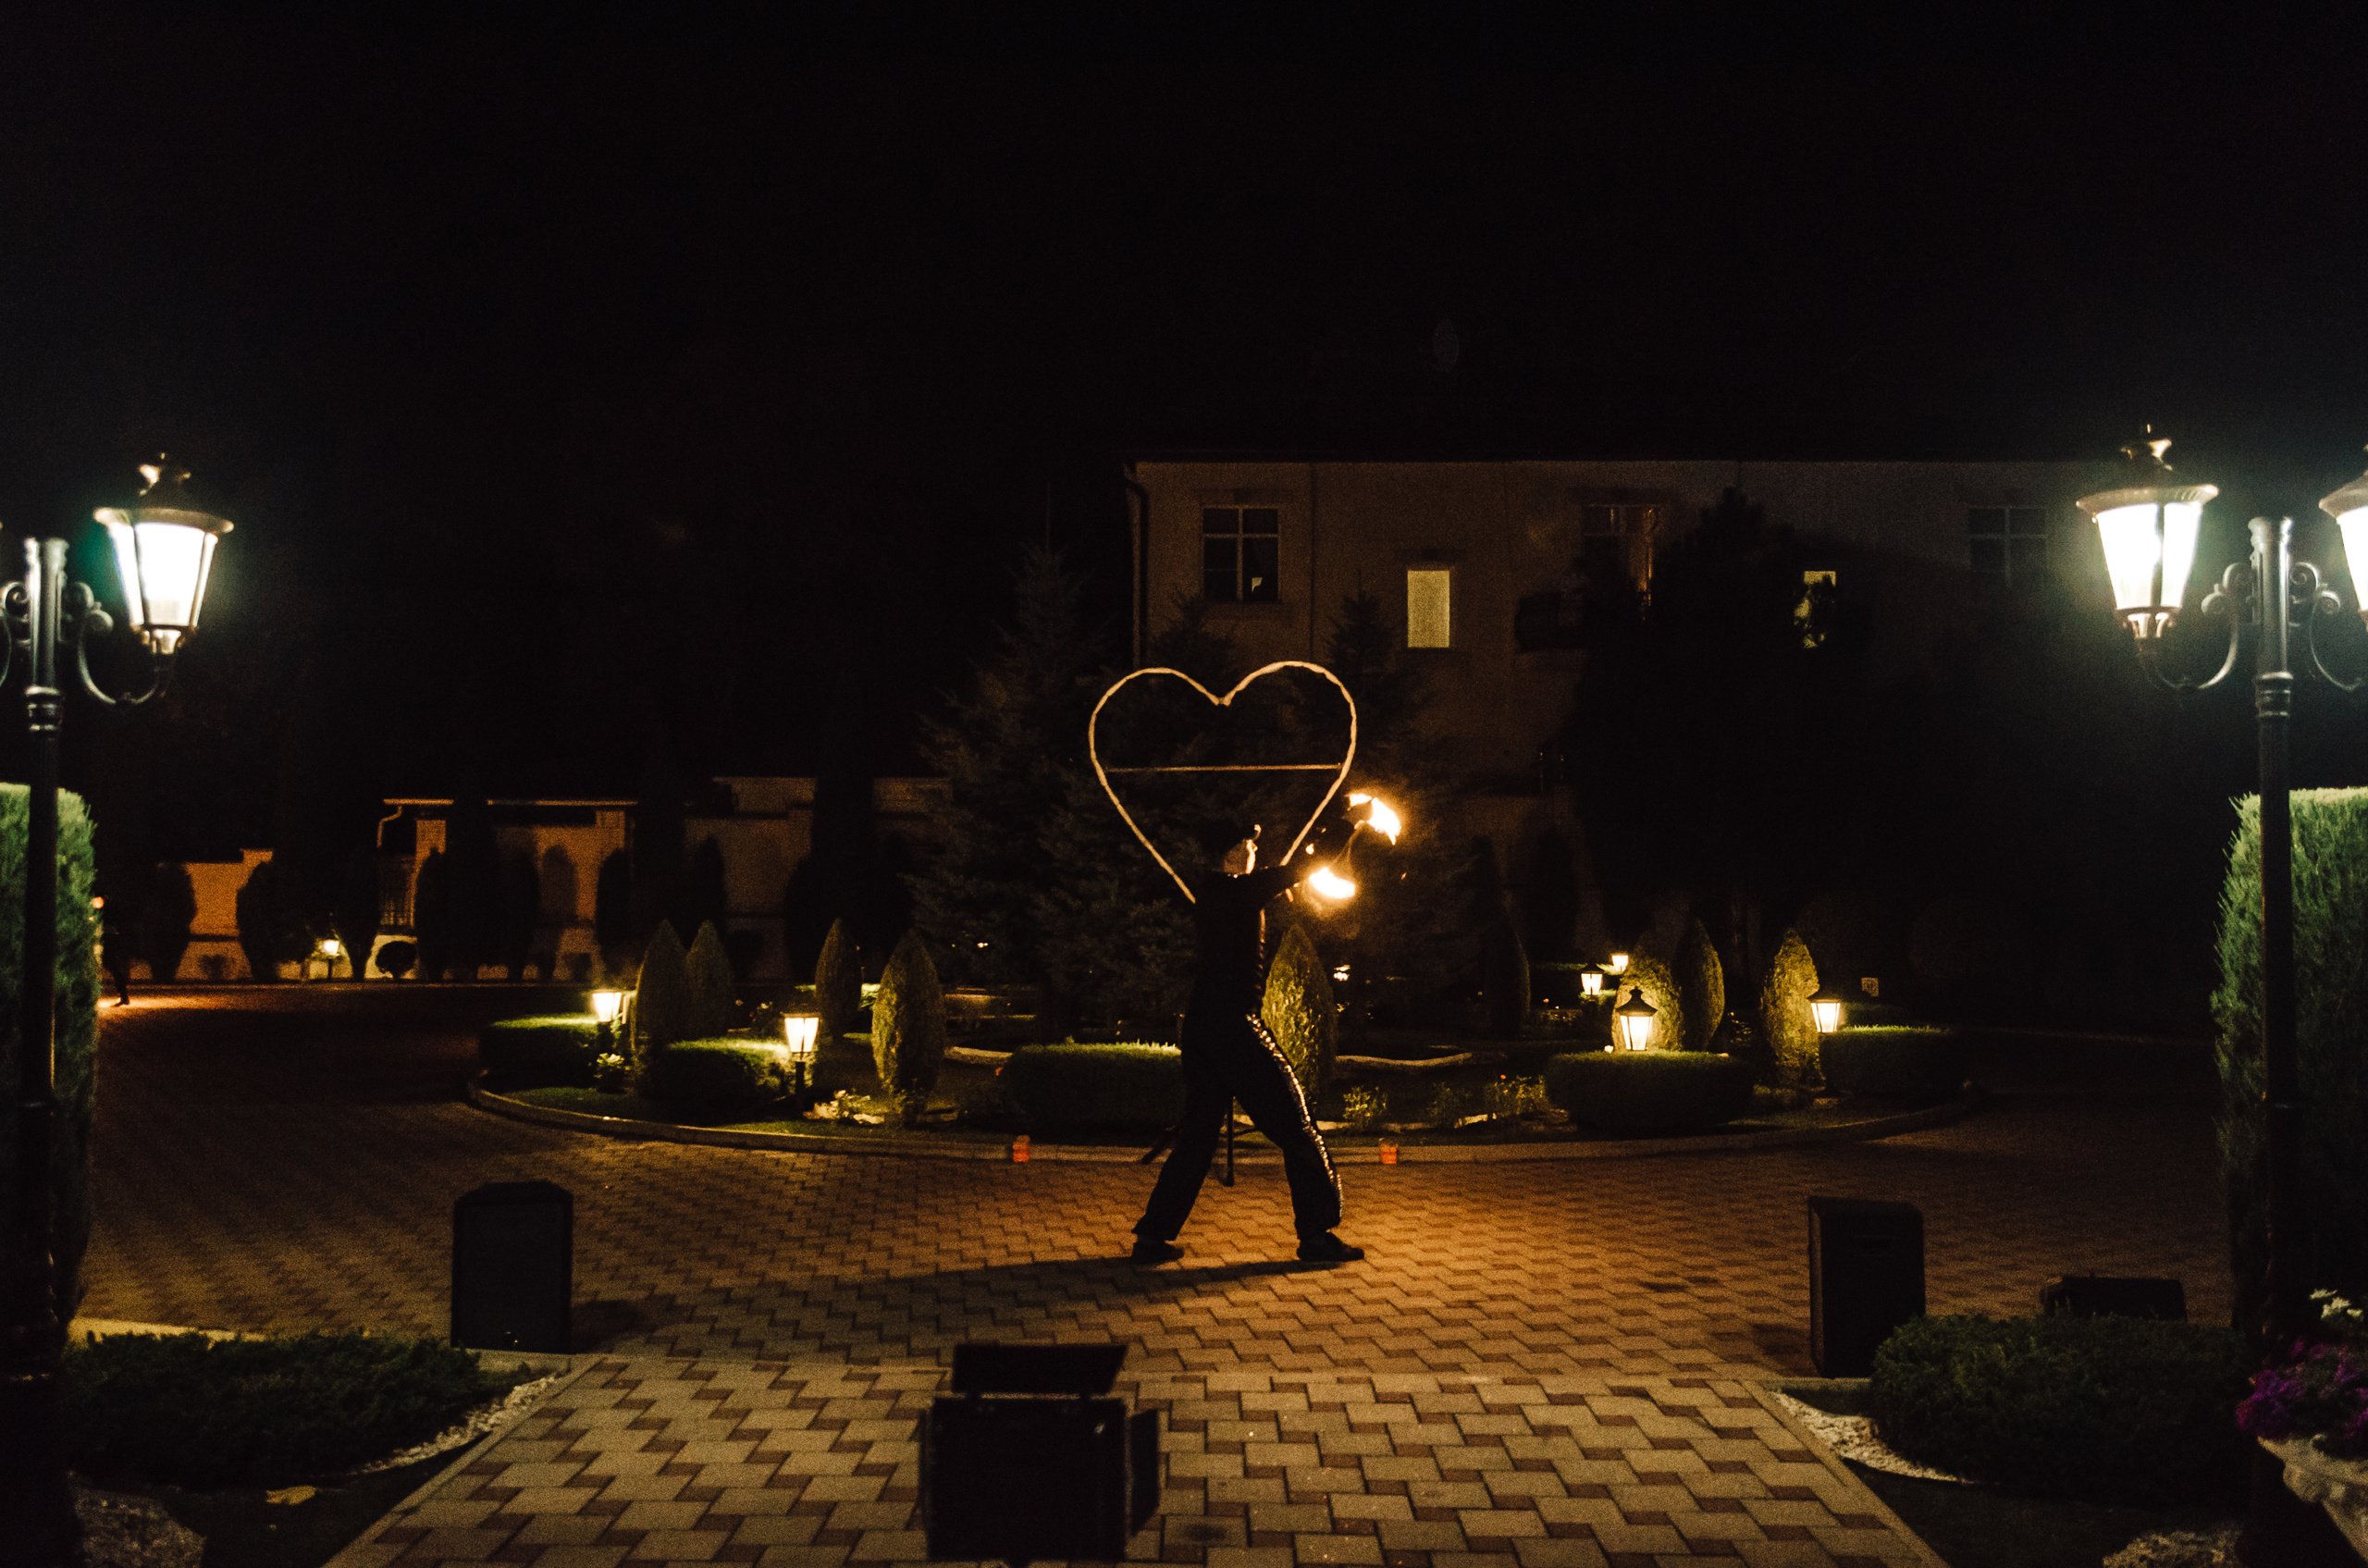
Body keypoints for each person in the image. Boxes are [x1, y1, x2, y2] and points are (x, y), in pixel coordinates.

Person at [1131, 796, 1383, 1266]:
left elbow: (1286, 878)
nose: (1254, 851)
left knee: (1198, 1137)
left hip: (1203, 1030)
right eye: (1248, 844)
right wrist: (1347, 821)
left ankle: (1152, 1238)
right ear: (1232, 853)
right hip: (1236, 1031)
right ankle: (1317, 1235)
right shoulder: (1237, 891)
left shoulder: (1212, 891)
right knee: (1298, 1127)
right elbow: (1317, 860)